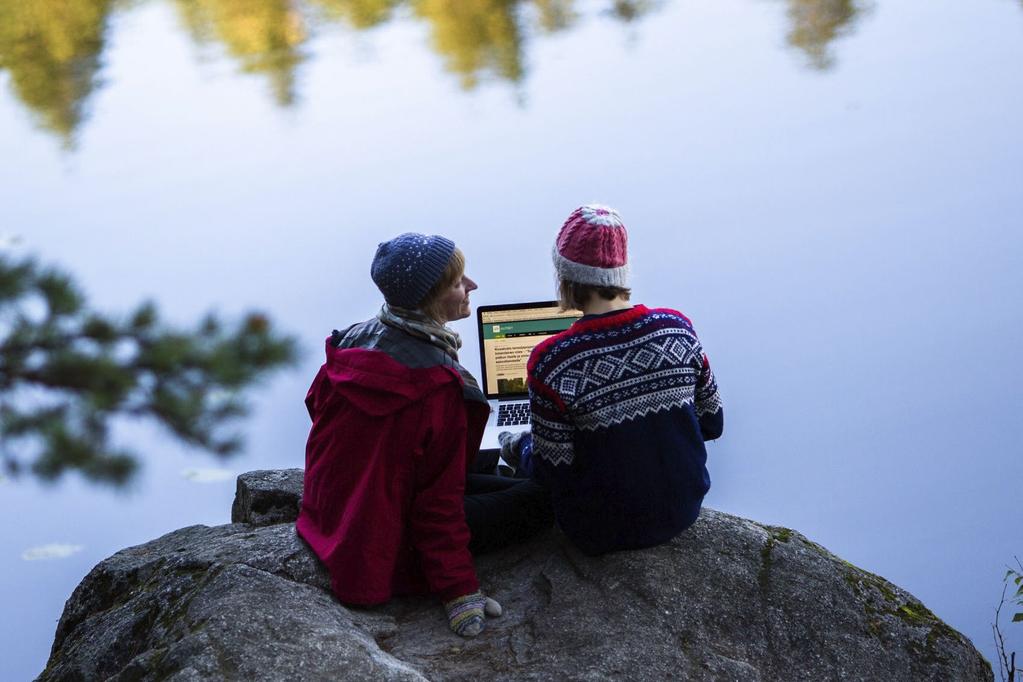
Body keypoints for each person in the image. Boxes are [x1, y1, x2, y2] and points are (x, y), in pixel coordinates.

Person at [296, 233, 549, 639]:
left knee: (499, 476)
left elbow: (316, 409)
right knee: (541, 495)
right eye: (457, 282)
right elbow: (437, 507)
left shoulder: (351, 341)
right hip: (385, 543)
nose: (472, 286)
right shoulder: (436, 387)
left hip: (332, 515)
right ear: (431, 299)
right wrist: (459, 590)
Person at [520, 204, 724, 556]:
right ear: (622, 273)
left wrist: (518, 447)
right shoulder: (677, 329)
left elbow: (552, 473)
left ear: (564, 278)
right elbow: (713, 423)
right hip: (683, 512)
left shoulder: (552, 361)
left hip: (599, 531)